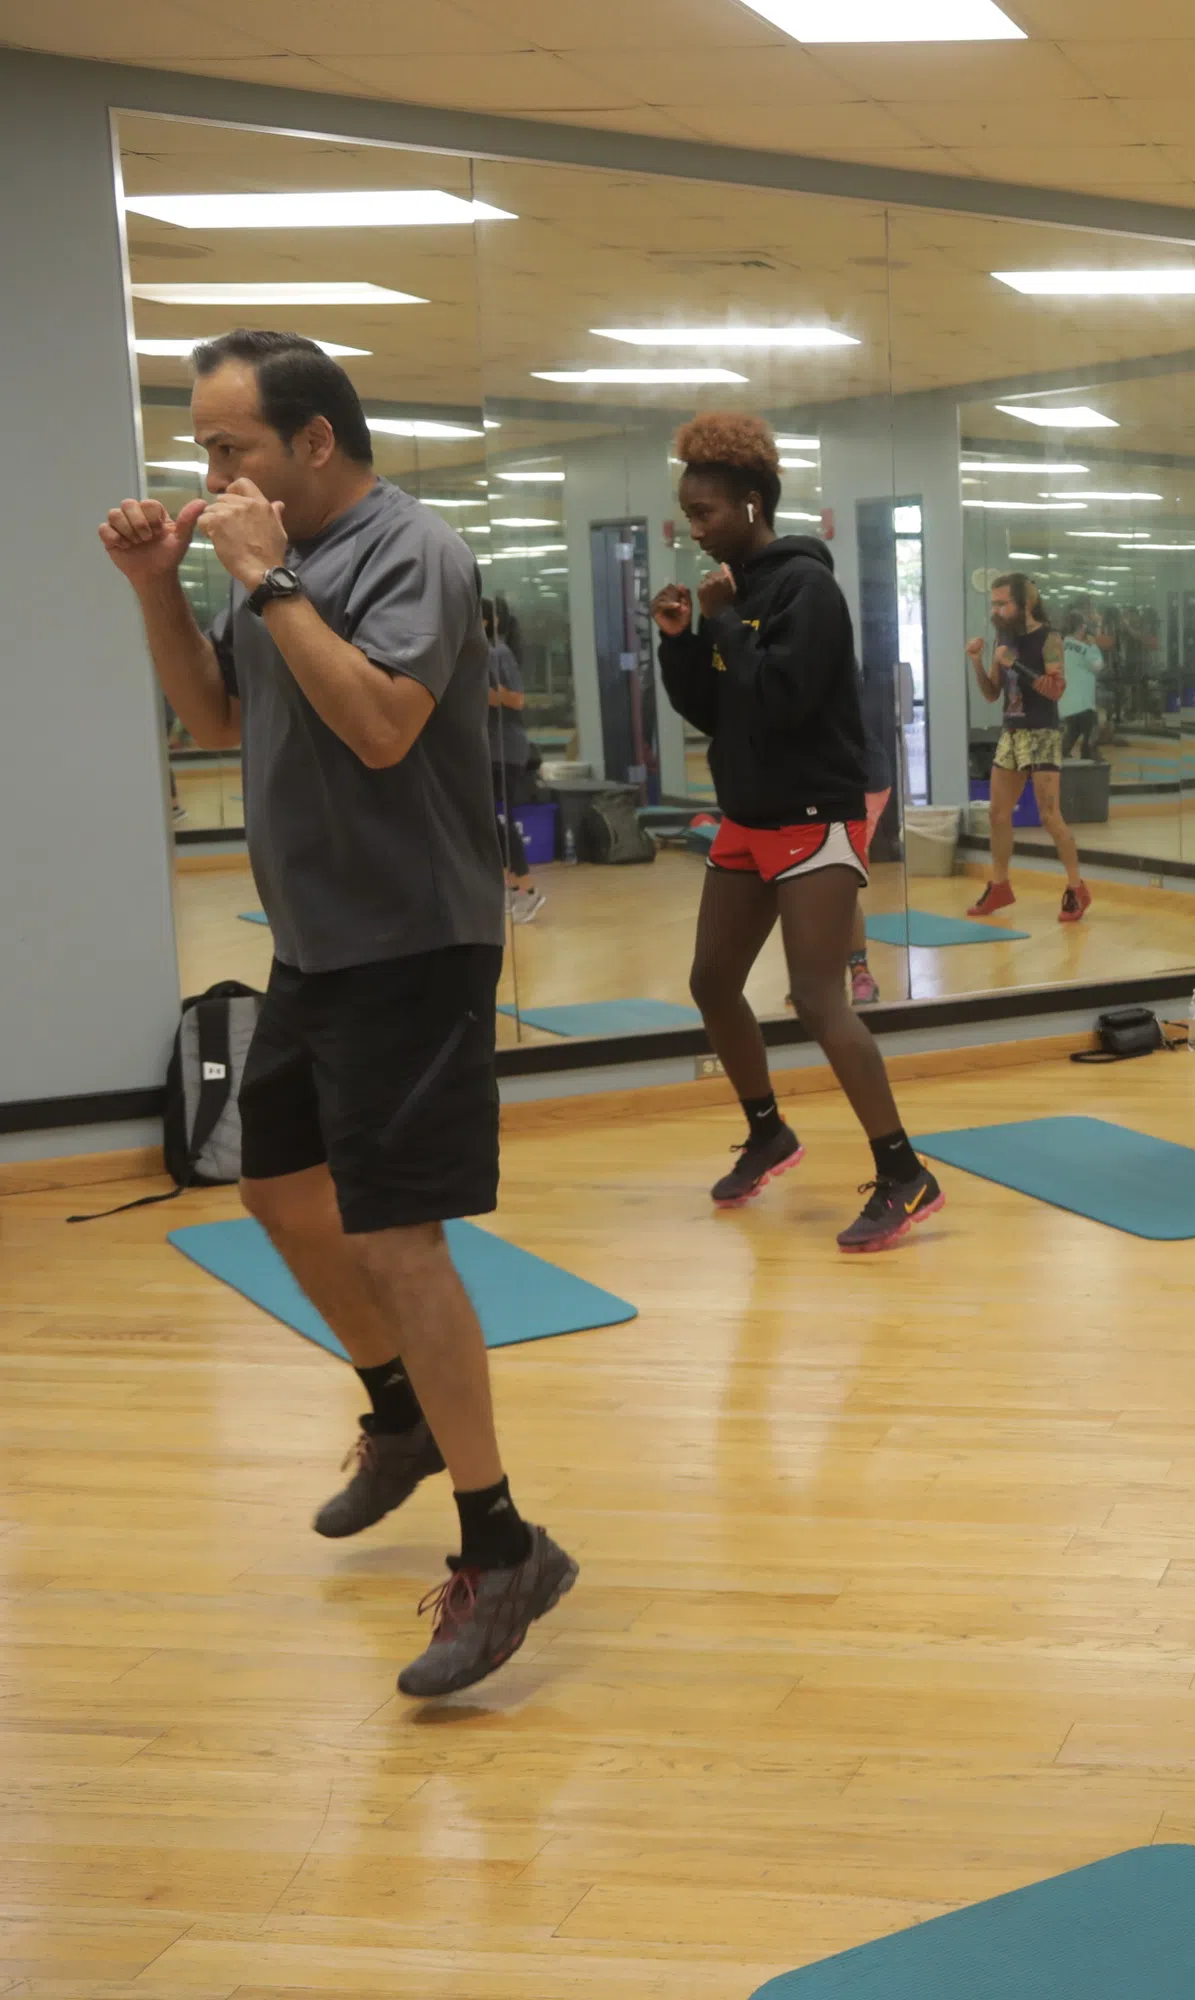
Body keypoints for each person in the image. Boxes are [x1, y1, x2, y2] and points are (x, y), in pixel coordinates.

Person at [98, 329, 578, 1696]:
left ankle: (501, 1554)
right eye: (204, 448)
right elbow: (212, 719)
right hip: (314, 943)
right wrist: (158, 588)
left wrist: (261, 574)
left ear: (314, 442)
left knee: (403, 1237)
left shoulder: (409, 553)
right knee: (279, 1191)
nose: (211, 471)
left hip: (415, 941)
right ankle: (399, 1414)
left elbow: (380, 727)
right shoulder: (276, 568)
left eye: (229, 445)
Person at [652, 411, 942, 1254]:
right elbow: (712, 706)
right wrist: (683, 642)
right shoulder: (733, 592)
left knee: (818, 996)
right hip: (748, 814)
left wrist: (727, 626)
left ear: (750, 504)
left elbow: (780, 698)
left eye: (705, 514)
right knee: (712, 981)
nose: (695, 531)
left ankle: (903, 1172)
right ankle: (768, 1131)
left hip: (813, 814)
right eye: (689, 514)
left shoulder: (807, 589)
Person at [964, 575, 1091, 925]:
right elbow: (992, 693)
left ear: (1025, 604)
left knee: (1049, 816)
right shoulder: (1003, 638)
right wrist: (976, 660)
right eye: (993, 603)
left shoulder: (1049, 638)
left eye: (1003, 603)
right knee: (997, 814)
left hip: (1042, 732)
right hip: (1012, 733)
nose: (997, 609)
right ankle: (1000, 884)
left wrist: (1014, 665)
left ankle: (1076, 887)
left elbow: (1055, 691)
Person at [482, 597, 542, 924]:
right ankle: (511, 885)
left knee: (494, 818)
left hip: (506, 749)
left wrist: (477, 691)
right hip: (488, 748)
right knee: (487, 819)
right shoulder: (477, 654)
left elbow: (516, 700)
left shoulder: (498, 653)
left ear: (486, 622)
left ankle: (528, 889)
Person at [1058, 606, 1104, 764]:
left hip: (1064, 702)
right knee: (1092, 731)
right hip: (1083, 703)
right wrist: (1094, 646)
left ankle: (1059, 758)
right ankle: (1089, 759)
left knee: (1073, 730)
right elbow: (1098, 665)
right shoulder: (1085, 649)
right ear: (1082, 628)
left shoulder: (1059, 646)